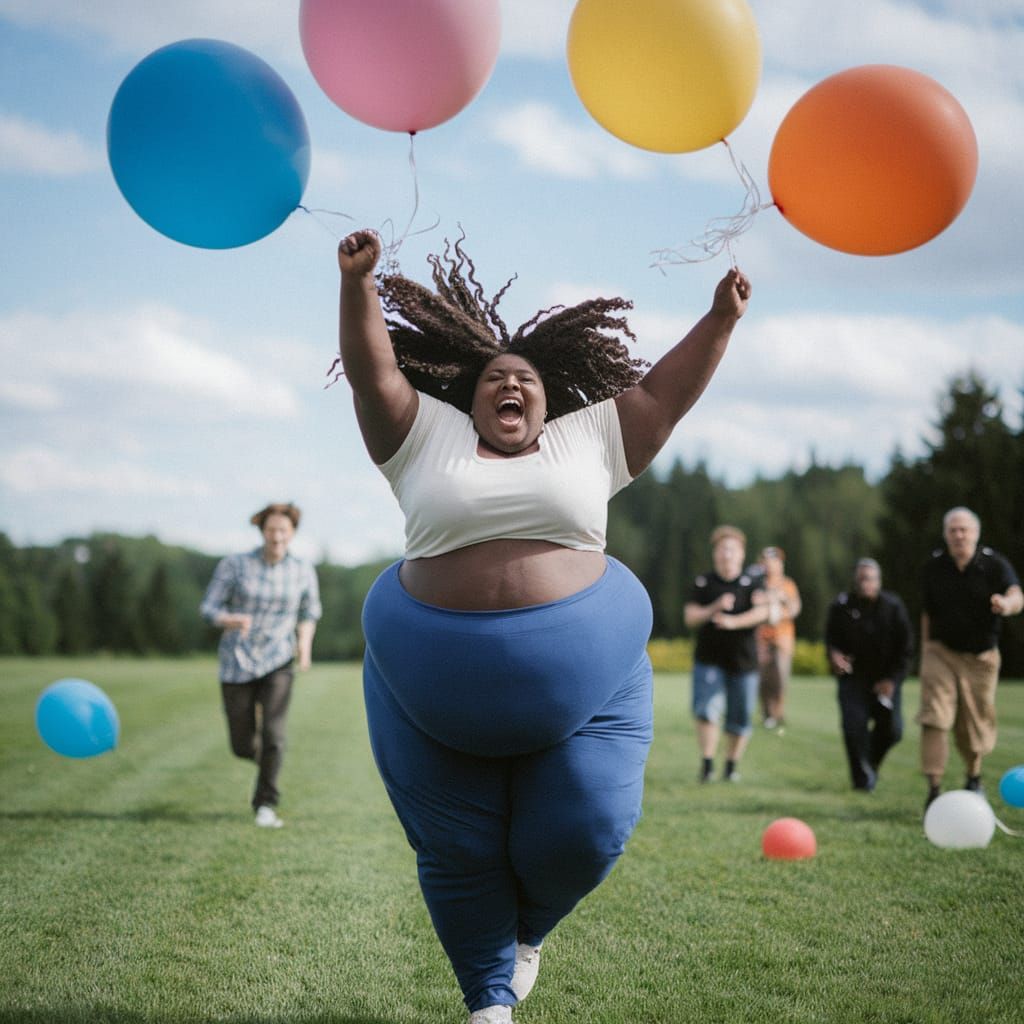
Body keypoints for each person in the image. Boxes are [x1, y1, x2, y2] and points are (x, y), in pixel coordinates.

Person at [337, 228, 751, 1024]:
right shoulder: (423, 434)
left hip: (584, 681)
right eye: (495, 378)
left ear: (550, 396)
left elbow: (664, 395)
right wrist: (358, 285)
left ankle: (526, 934)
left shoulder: (587, 438)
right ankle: (488, 1002)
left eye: (524, 377)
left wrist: (719, 321)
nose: (510, 386)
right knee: (458, 851)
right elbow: (373, 371)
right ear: (472, 395)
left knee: (586, 830)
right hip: (430, 685)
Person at [200, 502, 321, 828]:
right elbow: (209, 607)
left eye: (283, 530)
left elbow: (309, 612)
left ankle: (265, 804)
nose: (277, 536)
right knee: (242, 745)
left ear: (292, 532)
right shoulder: (235, 565)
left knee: (274, 734)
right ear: (262, 531)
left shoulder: (302, 569)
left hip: (279, 660)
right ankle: (266, 759)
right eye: (271, 530)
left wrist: (304, 648)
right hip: (236, 662)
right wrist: (229, 619)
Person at [919, 506, 1022, 809]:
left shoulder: (994, 565)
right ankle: (934, 789)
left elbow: (1017, 594)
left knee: (973, 723)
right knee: (935, 716)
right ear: (945, 535)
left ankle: (973, 776)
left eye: (964, 529)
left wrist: (1006, 604)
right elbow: (927, 612)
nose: (959, 535)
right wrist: (925, 651)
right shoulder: (934, 567)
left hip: (981, 657)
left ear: (976, 534)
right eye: (953, 530)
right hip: (941, 652)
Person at [684, 525, 769, 784]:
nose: (726, 554)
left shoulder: (753, 582)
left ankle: (731, 766)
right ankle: (708, 765)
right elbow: (690, 618)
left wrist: (734, 621)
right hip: (708, 660)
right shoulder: (704, 582)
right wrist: (715, 608)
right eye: (722, 549)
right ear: (715, 554)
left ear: (742, 554)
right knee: (707, 711)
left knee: (740, 716)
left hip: (744, 662)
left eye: (732, 550)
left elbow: (762, 613)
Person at [824, 558, 913, 792]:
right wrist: (835, 656)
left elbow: (906, 650)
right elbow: (831, 641)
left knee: (893, 730)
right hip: (854, 679)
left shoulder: (893, 607)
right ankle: (862, 779)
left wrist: (892, 681)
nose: (866, 583)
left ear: (879, 581)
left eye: (870, 579)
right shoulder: (841, 606)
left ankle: (869, 762)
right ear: (855, 580)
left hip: (886, 679)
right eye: (861, 578)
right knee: (853, 727)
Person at [754, 545, 802, 731]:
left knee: (780, 678)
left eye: (774, 561)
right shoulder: (758, 583)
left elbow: (794, 609)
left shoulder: (787, 584)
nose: (771, 565)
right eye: (767, 561)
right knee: (763, 678)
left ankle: (778, 713)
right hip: (761, 639)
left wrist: (780, 599)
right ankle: (766, 713)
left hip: (783, 639)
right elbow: (755, 601)